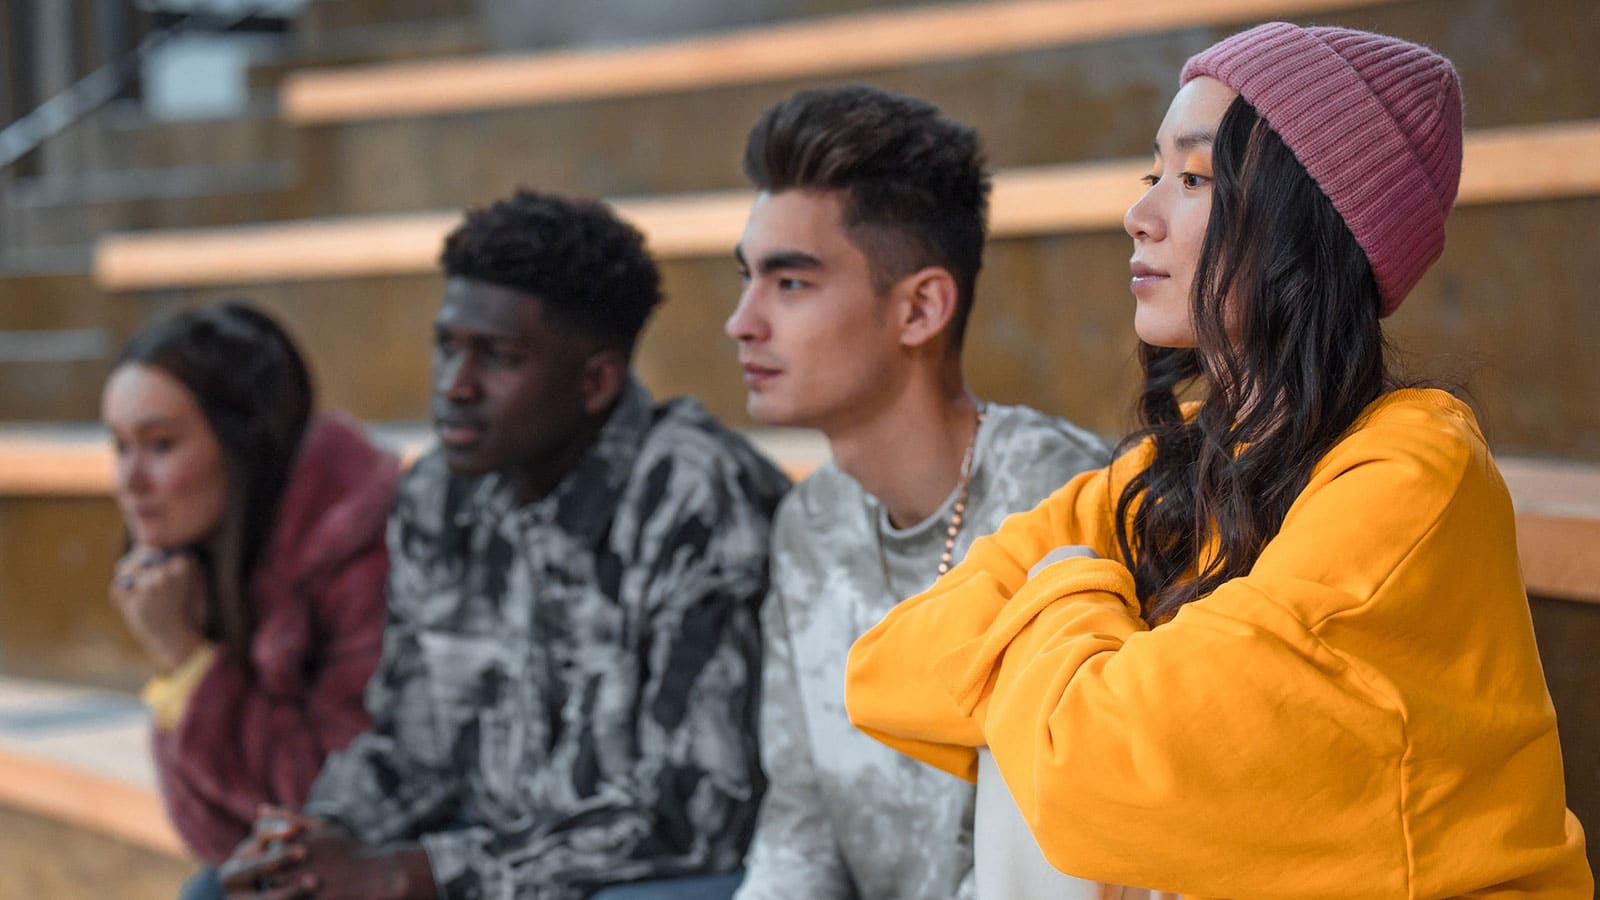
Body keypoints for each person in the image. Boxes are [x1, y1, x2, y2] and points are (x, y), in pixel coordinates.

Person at [845, 22, 1593, 898]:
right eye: (1150, 174)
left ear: (1309, 222)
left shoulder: (1412, 475)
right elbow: (885, 668)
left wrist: (1063, 586)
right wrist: (1093, 642)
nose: (1140, 214)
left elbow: (1101, 771)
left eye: (1194, 178)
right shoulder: (1192, 454)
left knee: (1050, 743)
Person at [219, 189, 791, 900]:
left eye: (498, 357)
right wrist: (313, 840)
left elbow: (699, 807)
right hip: (499, 855)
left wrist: (412, 874)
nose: (455, 387)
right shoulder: (437, 495)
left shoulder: (697, 498)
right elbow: (413, 746)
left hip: (660, 874)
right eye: (447, 347)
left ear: (595, 381)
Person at [724, 84, 1108, 900]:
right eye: (748, 278)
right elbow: (800, 822)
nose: (742, 321)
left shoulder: (1068, 503)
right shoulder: (809, 522)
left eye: (789, 283)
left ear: (921, 308)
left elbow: (1071, 857)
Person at [102, 302, 397, 900]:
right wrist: (183, 670)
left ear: (242, 449)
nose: (131, 482)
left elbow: (333, 810)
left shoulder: (366, 554)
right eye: (119, 446)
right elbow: (213, 835)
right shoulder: (204, 561)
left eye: (159, 446)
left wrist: (187, 664)